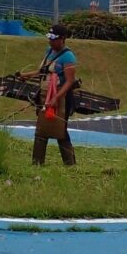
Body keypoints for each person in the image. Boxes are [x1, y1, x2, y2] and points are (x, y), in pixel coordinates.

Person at [19, 25, 77, 165]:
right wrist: (25, 76)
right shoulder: (49, 51)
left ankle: (70, 164)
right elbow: (42, 71)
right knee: (41, 128)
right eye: (49, 39)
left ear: (62, 39)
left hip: (61, 97)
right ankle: (37, 162)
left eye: (54, 39)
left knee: (60, 130)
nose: (50, 42)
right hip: (45, 94)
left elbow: (69, 81)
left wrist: (56, 97)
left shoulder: (68, 56)